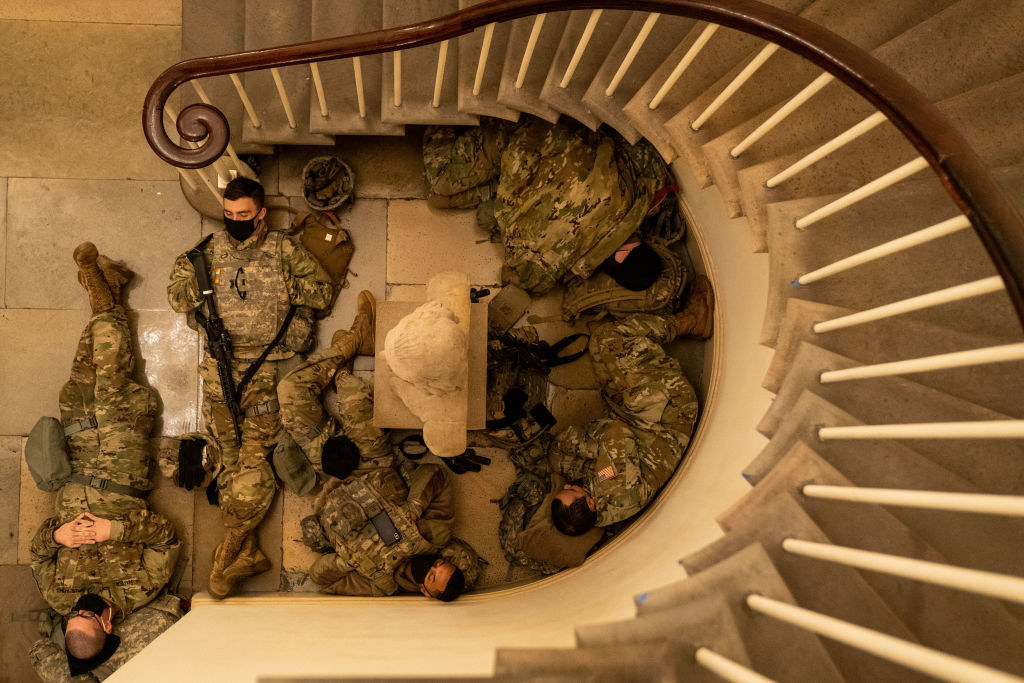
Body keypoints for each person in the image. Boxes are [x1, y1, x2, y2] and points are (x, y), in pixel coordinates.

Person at [166, 177, 334, 599]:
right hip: (221, 368)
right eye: (229, 214)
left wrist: (281, 286)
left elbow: (322, 291)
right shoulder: (206, 254)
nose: (235, 221)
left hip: (268, 369)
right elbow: (176, 296)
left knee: (253, 460)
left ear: (260, 213)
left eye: (244, 215)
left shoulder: (283, 249)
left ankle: (233, 549)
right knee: (223, 459)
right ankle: (245, 551)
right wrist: (203, 288)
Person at [28, 242, 181, 677]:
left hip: (75, 460)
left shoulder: (59, 597)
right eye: (89, 614)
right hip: (121, 466)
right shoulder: (141, 590)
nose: (82, 606)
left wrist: (58, 537)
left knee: (80, 378)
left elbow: (38, 554)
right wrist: (117, 528)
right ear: (108, 626)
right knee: (112, 374)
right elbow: (167, 539)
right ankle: (98, 286)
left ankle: (108, 293)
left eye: (75, 613)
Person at [550, 276, 715, 536]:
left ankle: (661, 333)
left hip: (641, 424)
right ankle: (690, 322)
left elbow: (571, 460)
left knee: (597, 349)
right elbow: (615, 433)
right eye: (571, 491)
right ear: (590, 504)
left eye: (566, 489)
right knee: (608, 338)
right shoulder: (613, 488)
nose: (569, 485)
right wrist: (579, 442)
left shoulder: (599, 501)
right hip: (669, 411)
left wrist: (582, 453)